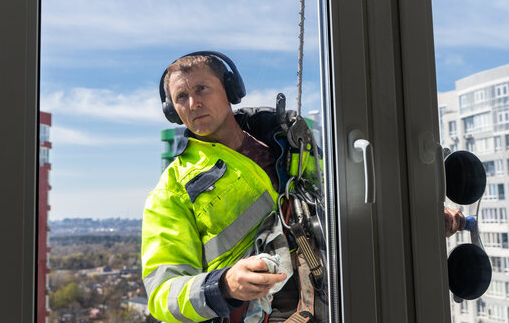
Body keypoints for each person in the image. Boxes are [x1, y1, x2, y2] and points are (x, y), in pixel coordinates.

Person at [141, 51, 466, 323]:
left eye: (202, 89)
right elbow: (162, 294)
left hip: (337, 300)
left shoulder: (289, 143)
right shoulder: (171, 191)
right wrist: (223, 285)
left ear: (229, 89)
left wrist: (418, 218)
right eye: (181, 97)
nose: (193, 103)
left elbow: (345, 202)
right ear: (173, 110)